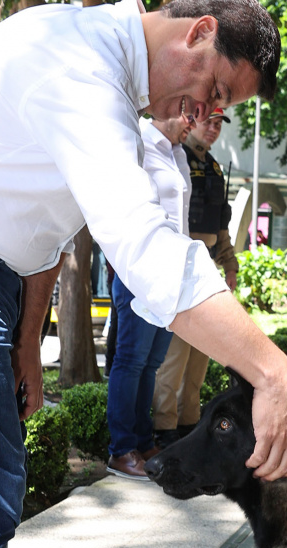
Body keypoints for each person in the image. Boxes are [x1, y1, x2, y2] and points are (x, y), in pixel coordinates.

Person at [0, 1, 287, 548]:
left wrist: (28, 341)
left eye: (220, 106)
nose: (201, 113)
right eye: (215, 89)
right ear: (200, 31)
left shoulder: (110, 82)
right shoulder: (84, 67)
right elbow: (144, 247)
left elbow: (46, 224)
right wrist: (271, 371)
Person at [107, 113, 195, 480]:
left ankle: (142, 442)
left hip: (172, 270)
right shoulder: (138, 141)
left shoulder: (179, 153)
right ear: (170, 108)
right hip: (139, 268)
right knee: (130, 360)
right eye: (192, 112)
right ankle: (121, 449)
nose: (196, 121)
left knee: (151, 363)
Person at [152, 106, 237, 447]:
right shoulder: (175, 157)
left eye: (219, 124)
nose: (214, 129)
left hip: (207, 267)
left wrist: (230, 264)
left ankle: (188, 424)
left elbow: (222, 226)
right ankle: (164, 428)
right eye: (208, 122)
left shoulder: (214, 167)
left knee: (199, 356)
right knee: (174, 357)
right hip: (180, 264)